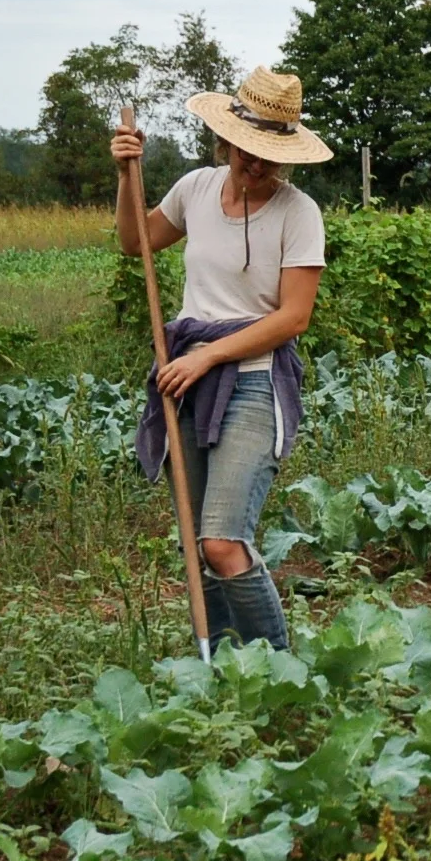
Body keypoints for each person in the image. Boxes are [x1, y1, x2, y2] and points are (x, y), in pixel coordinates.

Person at [112, 67, 332, 653]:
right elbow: (137, 242)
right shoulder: (195, 189)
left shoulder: (297, 213)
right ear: (226, 141)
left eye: (270, 157)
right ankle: (223, 668)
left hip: (253, 382)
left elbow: (293, 318)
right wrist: (124, 176)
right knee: (194, 544)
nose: (256, 167)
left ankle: (281, 672)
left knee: (221, 542)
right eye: (247, 153)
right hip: (187, 379)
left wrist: (210, 355)